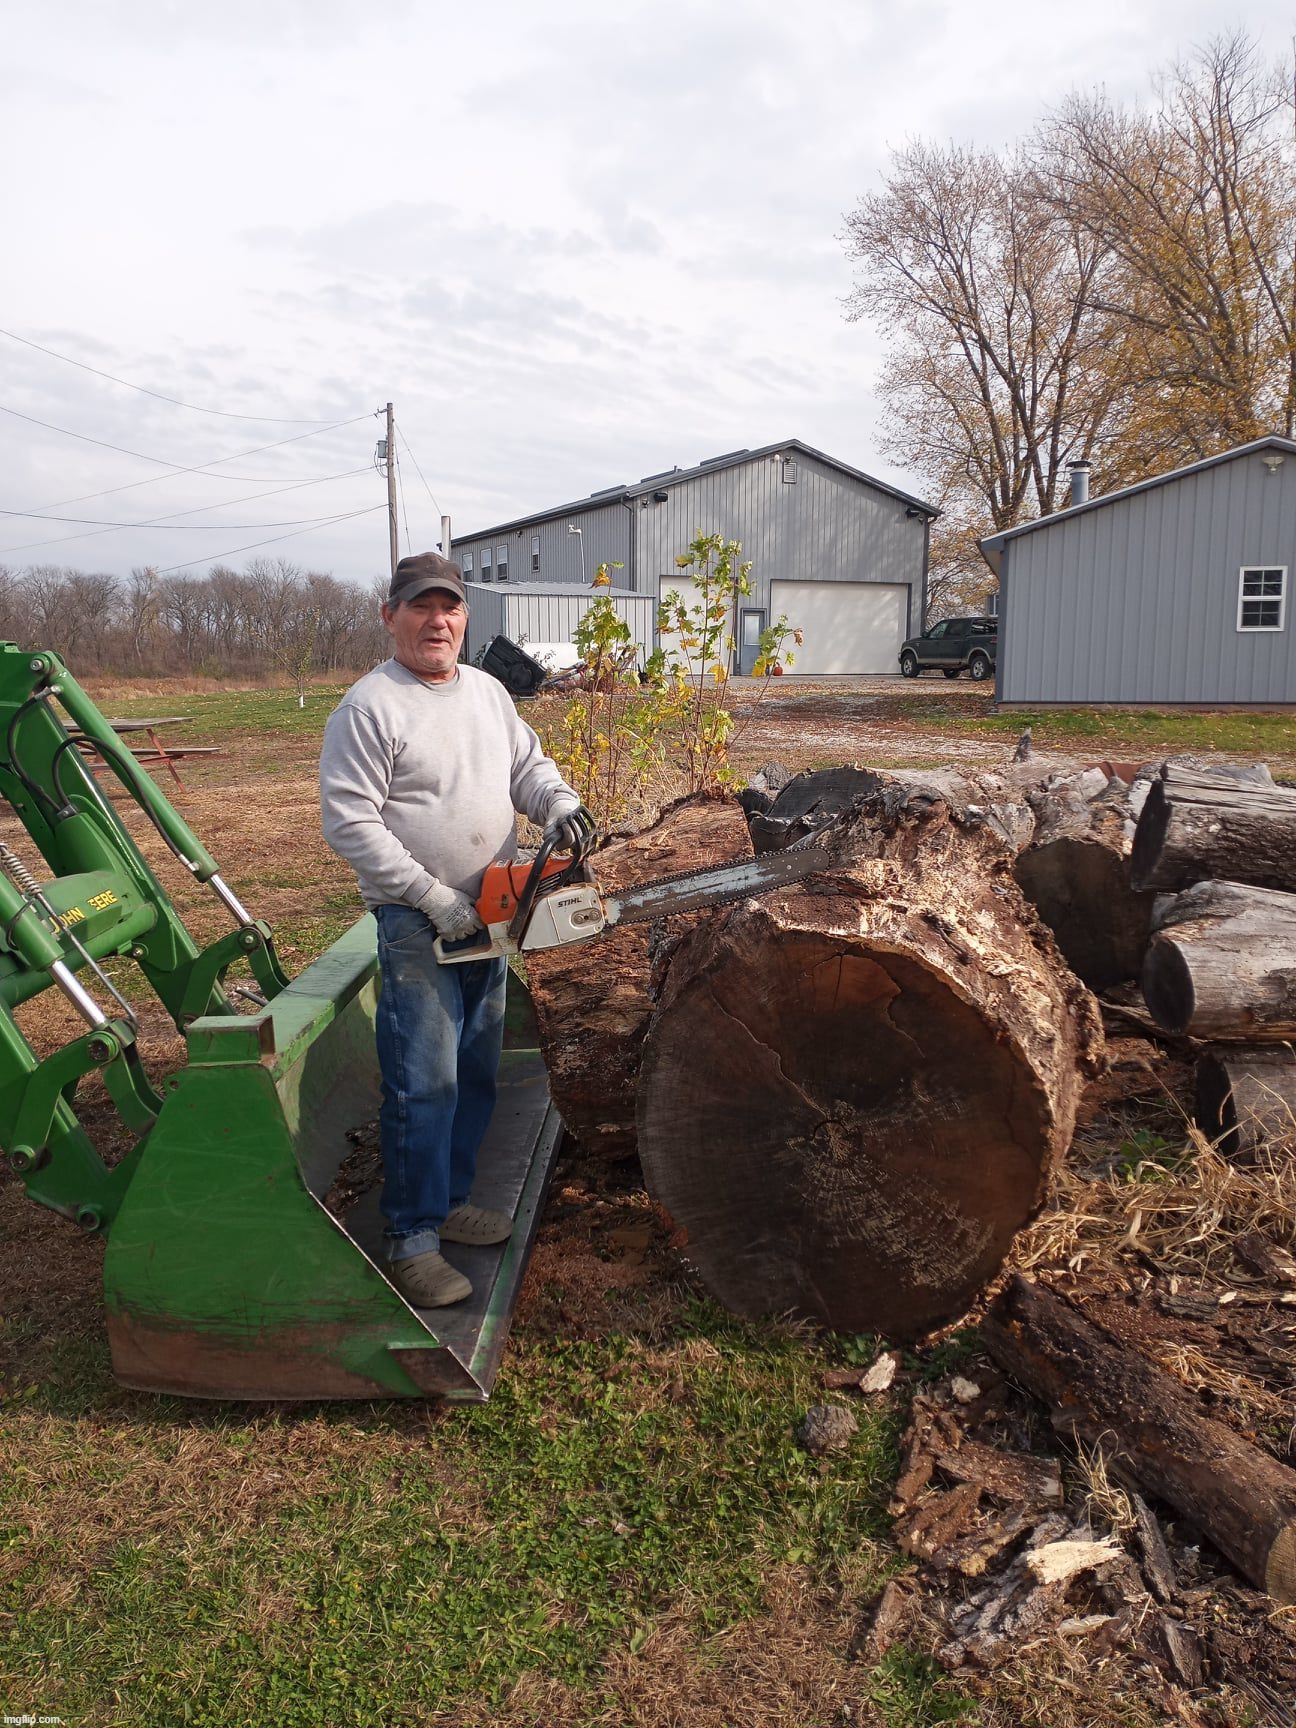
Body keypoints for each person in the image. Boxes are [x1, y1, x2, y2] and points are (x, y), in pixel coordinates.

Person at [319, 551, 586, 1308]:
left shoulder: (488, 693)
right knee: (424, 1081)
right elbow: (350, 822)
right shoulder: (370, 706)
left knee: (474, 1066)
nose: (438, 622)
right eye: (421, 608)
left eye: (450, 609)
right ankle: (411, 1237)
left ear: (465, 618)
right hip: (418, 919)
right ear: (391, 616)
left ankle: (453, 1196)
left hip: (495, 907)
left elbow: (525, 768)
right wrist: (430, 895)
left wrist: (558, 803)